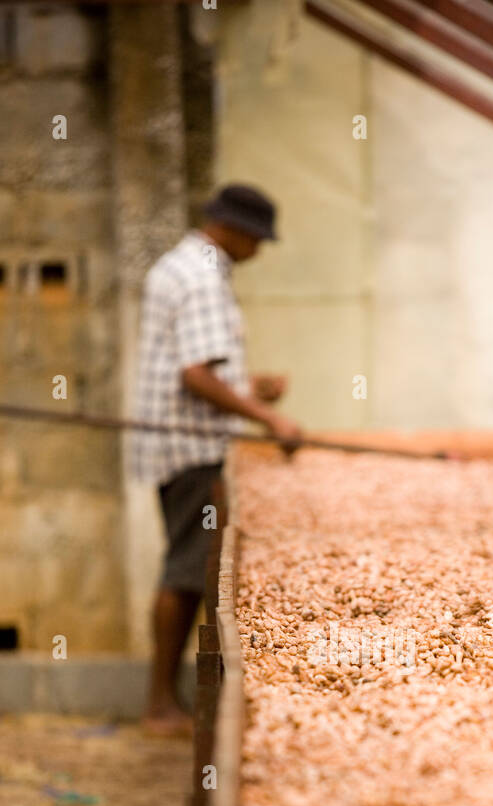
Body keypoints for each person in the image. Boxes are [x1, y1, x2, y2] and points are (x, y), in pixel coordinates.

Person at [132, 183, 302, 735]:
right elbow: (195, 375)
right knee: (185, 572)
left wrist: (251, 389)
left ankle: (168, 702)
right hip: (192, 446)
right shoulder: (204, 278)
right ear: (234, 230)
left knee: (186, 567)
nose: (260, 250)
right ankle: (161, 707)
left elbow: (195, 367)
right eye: (257, 239)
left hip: (177, 438)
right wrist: (267, 418)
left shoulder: (184, 265)